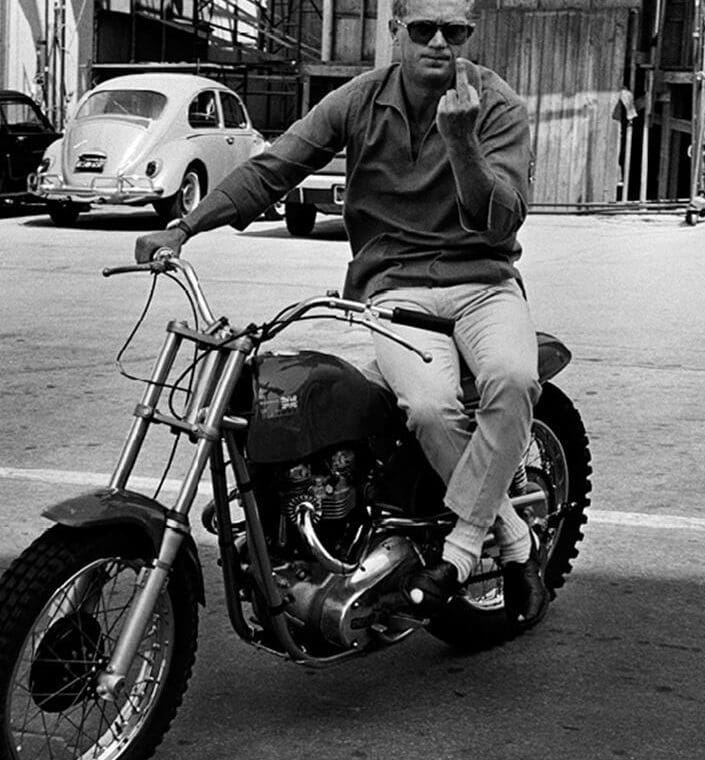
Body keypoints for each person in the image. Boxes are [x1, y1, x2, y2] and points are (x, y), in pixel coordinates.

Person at [134, 0, 548, 630]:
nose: (439, 42)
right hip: (398, 291)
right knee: (431, 408)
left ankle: (469, 552)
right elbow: (276, 167)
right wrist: (184, 227)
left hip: (483, 282)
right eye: (423, 29)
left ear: (469, 33)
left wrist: (462, 143)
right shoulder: (359, 101)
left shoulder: (495, 106)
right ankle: (513, 534)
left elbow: (502, 218)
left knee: (514, 380)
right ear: (395, 32)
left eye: (454, 31)